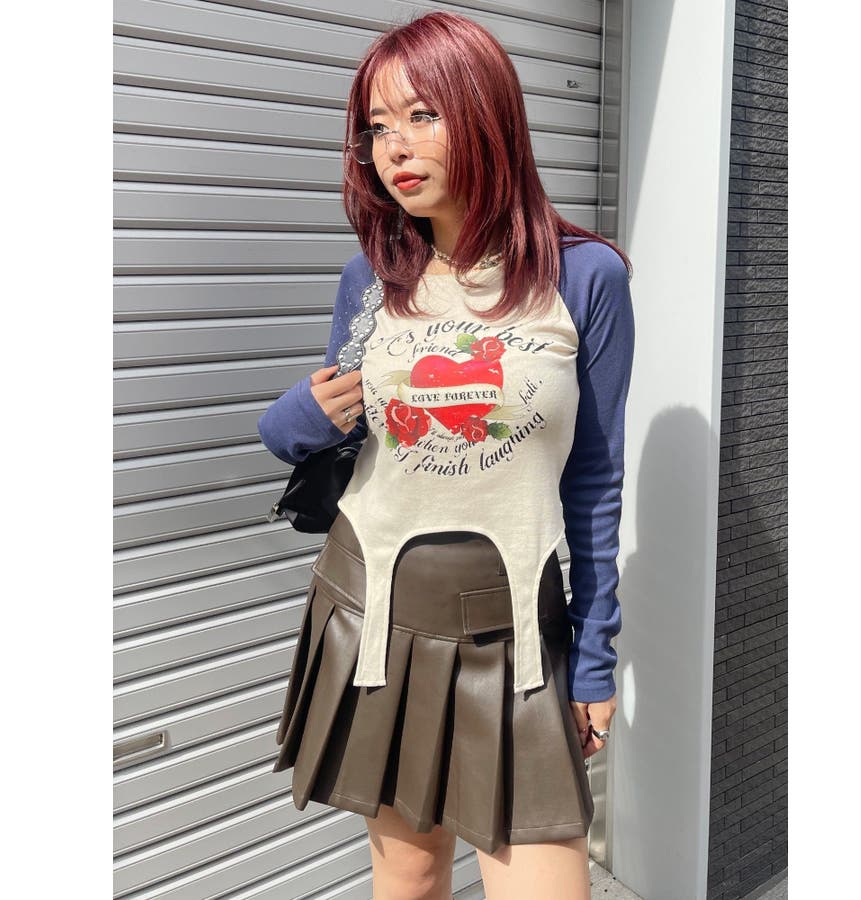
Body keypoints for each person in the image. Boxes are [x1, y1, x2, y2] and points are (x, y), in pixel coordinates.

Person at [257, 11, 634, 899]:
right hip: (377, 608)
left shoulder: (586, 276)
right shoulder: (371, 278)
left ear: (486, 112)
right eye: (377, 127)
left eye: (422, 115)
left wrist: (594, 655)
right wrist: (298, 417)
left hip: (515, 625)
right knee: (411, 876)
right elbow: (322, 430)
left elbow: (595, 478)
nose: (395, 146)